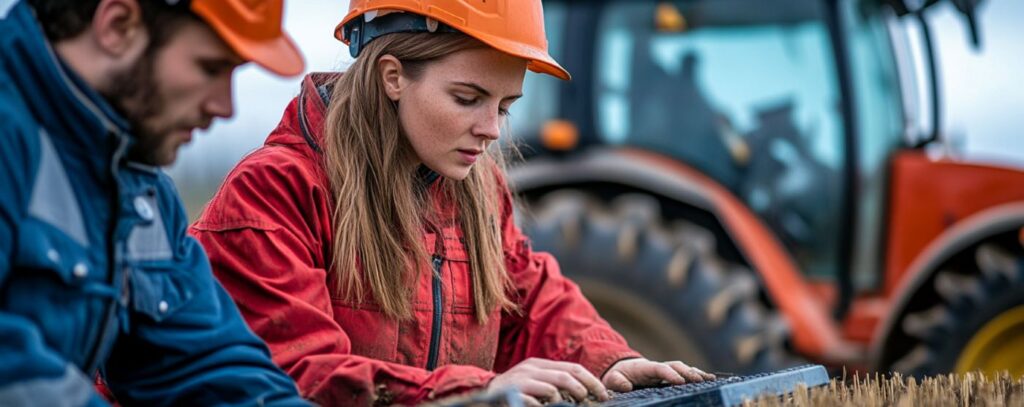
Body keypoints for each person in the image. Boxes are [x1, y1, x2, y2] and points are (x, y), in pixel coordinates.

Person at [190, 0, 715, 405]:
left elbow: (529, 300)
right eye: (468, 99)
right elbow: (293, 373)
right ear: (392, 77)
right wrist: (470, 391)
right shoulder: (273, 195)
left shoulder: (477, 192)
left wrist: (607, 361)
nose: (491, 130)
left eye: (506, 106)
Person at [0, 0, 310, 405]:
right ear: (118, 26)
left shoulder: (142, 194)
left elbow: (205, 364)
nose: (225, 107)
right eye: (211, 68)